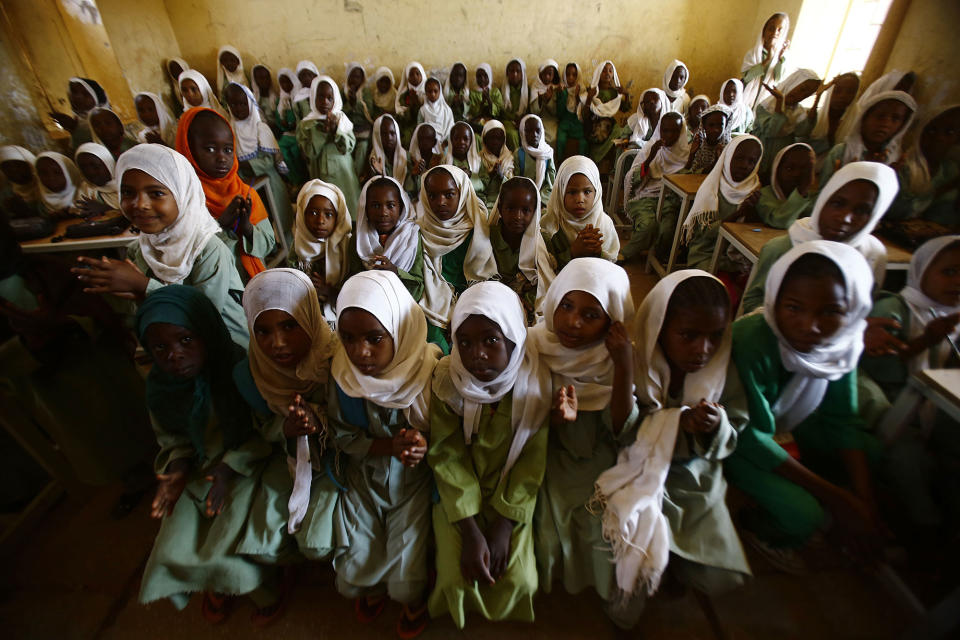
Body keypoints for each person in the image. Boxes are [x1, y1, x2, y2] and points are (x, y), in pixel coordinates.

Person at [594, 271, 749, 619]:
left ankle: (676, 557)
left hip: (693, 477)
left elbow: (735, 426)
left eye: (715, 336)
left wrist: (714, 425)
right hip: (638, 467)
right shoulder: (637, 358)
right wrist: (624, 368)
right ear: (659, 327)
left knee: (716, 576)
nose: (703, 349)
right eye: (688, 335)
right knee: (628, 558)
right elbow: (620, 430)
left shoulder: (722, 369)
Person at [725, 242, 883, 574]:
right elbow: (750, 436)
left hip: (788, 427)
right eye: (794, 308)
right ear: (774, 300)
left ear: (852, 309)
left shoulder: (840, 345)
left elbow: (844, 420)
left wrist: (862, 501)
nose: (810, 326)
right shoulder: (751, 341)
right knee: (805, 515)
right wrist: (838, 499)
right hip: (737, 441)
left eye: (830, 312)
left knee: (871, 452)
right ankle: (756, 524)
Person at [136, 285, 282, 623]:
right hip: (200, 468)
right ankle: (211, 580)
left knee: (226, 539)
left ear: (206, 332)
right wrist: (176, 468)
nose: (174, 355)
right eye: (160, 348)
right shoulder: (161, 387)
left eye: (186, 340)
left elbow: (266, 432)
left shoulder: (239, 371)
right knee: (172, 545)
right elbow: (172, 438)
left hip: (247, 463)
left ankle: (259, 587)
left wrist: (228, 469)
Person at [428, 281, 551, 628]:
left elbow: (531, 460)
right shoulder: (448, 381)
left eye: (490, 340)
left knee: (521, 579)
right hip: (458, 496)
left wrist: (504, 524)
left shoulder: (533, 383)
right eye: (464, 342)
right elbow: (446, 455)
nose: (476, 354)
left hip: (512, 495)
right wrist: (469, 530)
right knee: (455, 577)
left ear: (513, 336)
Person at [329, 270, 441, 637]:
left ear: (400, 327)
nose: (360, 352)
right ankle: (378, 583)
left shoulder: (429, 372)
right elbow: (342, 436)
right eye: (348, 338)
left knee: (406, 585)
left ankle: (412, 594)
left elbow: (452, 435)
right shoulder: (343, 377)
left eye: (375, 338)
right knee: (350, 582)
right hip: (365, 478)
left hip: (412, 483)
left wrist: (424, 445)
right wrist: (384, 447)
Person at [530, 257, 640, 629]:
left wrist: (624, 366)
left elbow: (624, 430)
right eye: (566, 306)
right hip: (547, 454)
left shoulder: (614, 360)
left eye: (591, 314)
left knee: (604, 531)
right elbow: (519, 419)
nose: (573, 322)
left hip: (600, 458)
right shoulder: (535, 345)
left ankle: (614, 593)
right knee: (545, 530)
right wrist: (555, 417)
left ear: (612, 322)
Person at [71, 143, 249, 346]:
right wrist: (126, 291)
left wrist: (143, 286)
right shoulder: (139, 250)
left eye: (156, 193)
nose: (139, 204)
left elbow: (203, 316)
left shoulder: (208, 249)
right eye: (128, 193)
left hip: (226, 349)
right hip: (174, 350)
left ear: (183, 195)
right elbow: (139, 310)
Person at [741, 161, 899, 314]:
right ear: (824, 199)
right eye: (838, 203)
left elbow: (864, 309)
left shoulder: (873, 254)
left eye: (861, 210)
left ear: (875, 216)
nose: (844, 218)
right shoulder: (782, 247)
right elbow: (753, 300)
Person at [177, 108, 276, 281]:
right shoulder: (183, 202)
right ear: (188, 149)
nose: (222, 158)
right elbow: (185, 256)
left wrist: (247, 229)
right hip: (214, 288)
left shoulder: (246, 193)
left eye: (228, 150)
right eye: (210, 149)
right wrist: (220, 224)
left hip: (251, 281)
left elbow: (268, 243)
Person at [417, 165, 498, 353]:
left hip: (474, 299)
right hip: (433, 302)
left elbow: (482, 276)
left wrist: (463, 310)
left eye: (449, 194)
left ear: (462, 193)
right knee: (433, 344)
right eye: (433, 196)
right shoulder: (421, 230)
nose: (440, 202)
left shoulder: (477, 227)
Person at [287, 179, 353, 323]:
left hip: (340, 310)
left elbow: (355, 288)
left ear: (338, 217)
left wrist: (329, 291)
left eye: (328, 214)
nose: (320, 221)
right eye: (313, 213)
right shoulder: (299, 244)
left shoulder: (348, 246)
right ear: (302, 214)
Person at [296, 76, 360, 218]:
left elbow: (348, 147)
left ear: (335, 99)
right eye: (320, 97)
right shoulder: (306, 124)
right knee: (326, 210)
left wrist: (335, 130)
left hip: (344, 174)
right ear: (313, 98)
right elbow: (309, 153)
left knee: (348, 209)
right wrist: (323, 134)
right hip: (320, 174)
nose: (325, 102)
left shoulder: (342, 120)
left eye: (329, 98)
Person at [541, 156, 619, 269]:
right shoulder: (548, 226)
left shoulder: (605, 224)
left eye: (587, 191)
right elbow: (544, 267)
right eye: (572, 192)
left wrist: (599, 254)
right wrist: (573, 252)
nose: (580, 199)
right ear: (560, 192)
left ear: (596, 192)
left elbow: (610, 265)